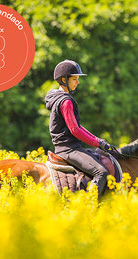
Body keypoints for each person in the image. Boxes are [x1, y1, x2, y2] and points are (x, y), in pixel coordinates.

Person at [45, 59, 116, 197]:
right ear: (64, 80)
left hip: (68, 147)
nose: (77, 82)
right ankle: (89, 206)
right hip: (68, 149)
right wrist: (98, 143)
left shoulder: (60, 98)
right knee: (101, 172)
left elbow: (77, 126)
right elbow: (75, 130)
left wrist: (99, 141)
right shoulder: (65, 101)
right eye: (74, 79)